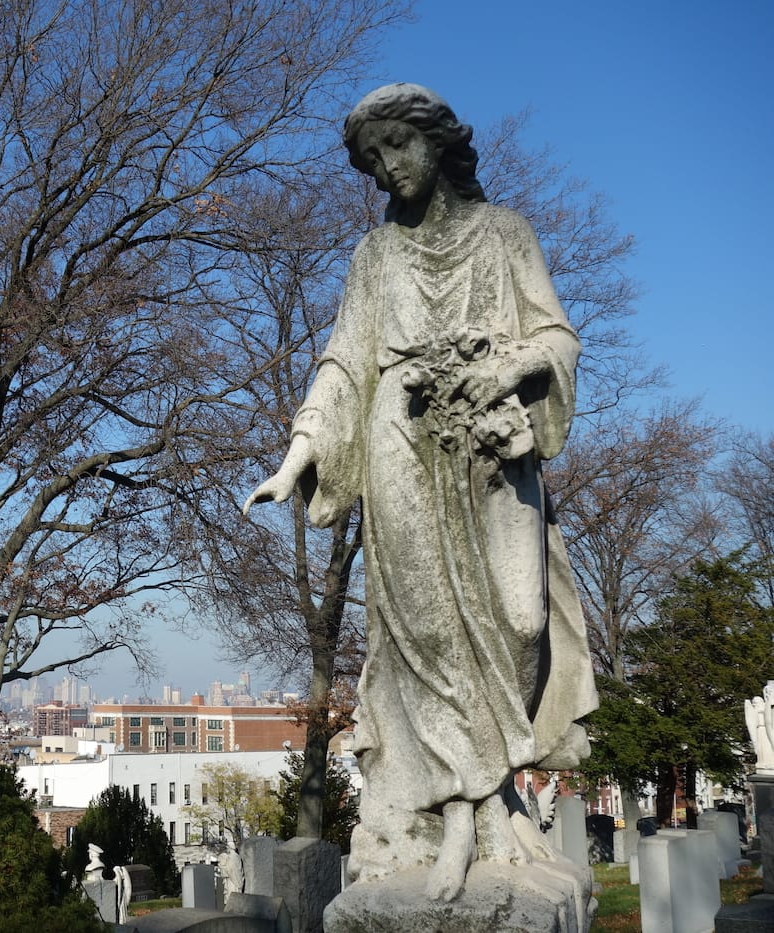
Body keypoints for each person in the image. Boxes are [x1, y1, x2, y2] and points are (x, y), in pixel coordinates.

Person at [244, 83, 597, 901]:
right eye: (373, 159)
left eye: (398, 146)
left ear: (437, 142)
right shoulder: (376, 257)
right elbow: (344, 361)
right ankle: (462, 817)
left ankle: (498, 787)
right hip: (400, 443)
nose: (387, 168)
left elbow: (556, 334)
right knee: (427, 638)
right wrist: (299, 453)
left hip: (490, 446)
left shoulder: (506, 234)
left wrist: (508, 365)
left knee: (521, 615)